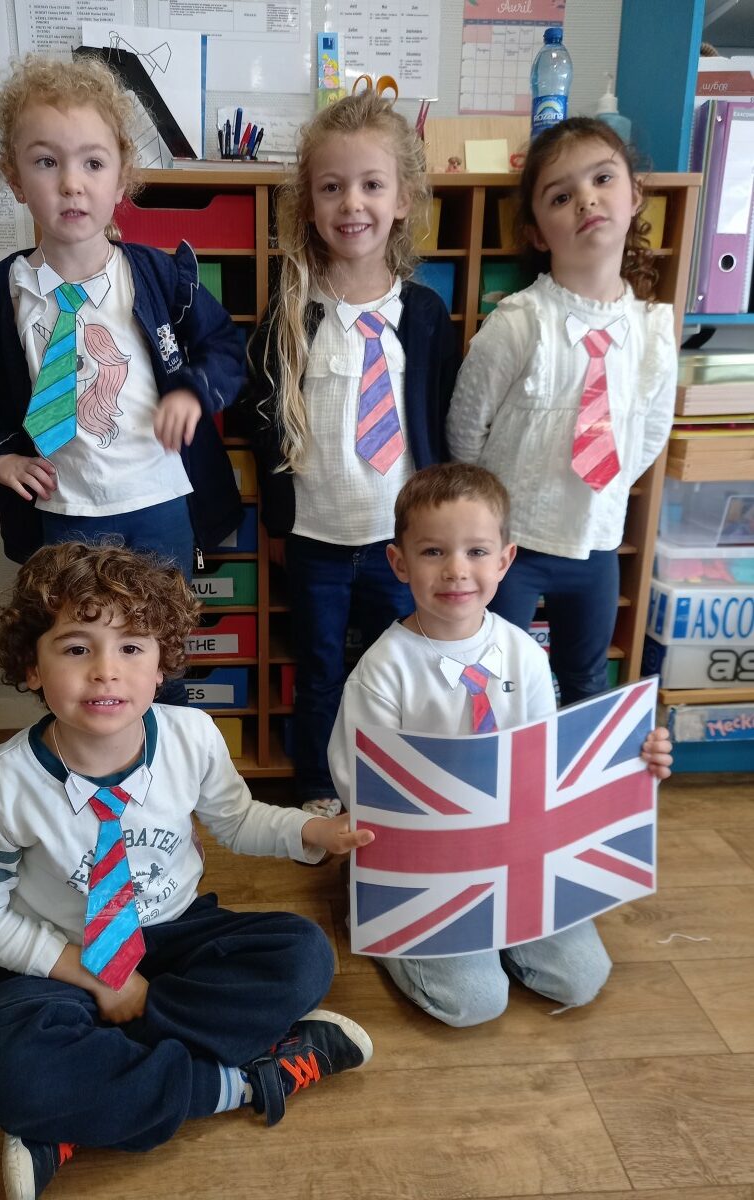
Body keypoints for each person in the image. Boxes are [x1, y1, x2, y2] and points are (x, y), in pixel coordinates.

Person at [0, 541, 375, 1200]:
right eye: (76, 648)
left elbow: (238, 820)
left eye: (131, 647)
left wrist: (308, 831)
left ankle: (84, 1103)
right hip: (64, 959)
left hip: (177, 934)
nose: (106, 671)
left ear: (162, 665)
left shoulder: (191, 736)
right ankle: (240, 1081)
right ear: (31, 667)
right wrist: (99, 978)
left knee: (304, 954)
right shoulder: (0, 787)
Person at [328, 463, 672, 1026]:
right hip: (429, 863)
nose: (456, 570)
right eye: (433, 552)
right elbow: (362, 786)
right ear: (400, 562)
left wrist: (634, 761)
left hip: (517, 851)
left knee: (582, 976)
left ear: (505, 560)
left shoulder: (524, 654)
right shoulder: (382, 671)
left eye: (477, 552)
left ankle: (500, 931)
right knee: (474, 1002)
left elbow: (548, 761)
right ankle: (368, 910)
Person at [0, 55, 244, 588]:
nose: (71, 183)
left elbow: (224, 345)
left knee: (160, 634)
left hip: (159, 500)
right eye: (47, 162)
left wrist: (192, 392)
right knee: (74, 630)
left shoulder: (159, 277)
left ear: (122, 179)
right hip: (63, 512)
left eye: (93, 163)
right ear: (15, 179)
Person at [241, 90, 460, 819]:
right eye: (331, 187)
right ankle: (316, 785)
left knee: (401, 666)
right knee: (321, 669)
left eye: (371, 184)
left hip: (402, 541)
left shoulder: (423, 315)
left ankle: (397, 785)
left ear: (403, 200)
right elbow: (263, 416)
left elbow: (441, 420)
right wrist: (277, 520)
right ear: (309, 203)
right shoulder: (292, 309)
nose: (352, 203)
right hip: (317, 539)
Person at [448, 117, 677, 705]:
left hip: (595, 540)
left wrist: (605, 488)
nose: (586, 200)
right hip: (512, 546)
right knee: (493, 680)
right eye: (560, 196)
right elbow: (466, 430)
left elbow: (650, 434)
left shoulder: (653, 331)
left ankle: (572, 769)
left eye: (602, 179)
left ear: (635, 195)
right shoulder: (519, 322)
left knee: (587, 681)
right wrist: (490, 521)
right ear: (537, 232)